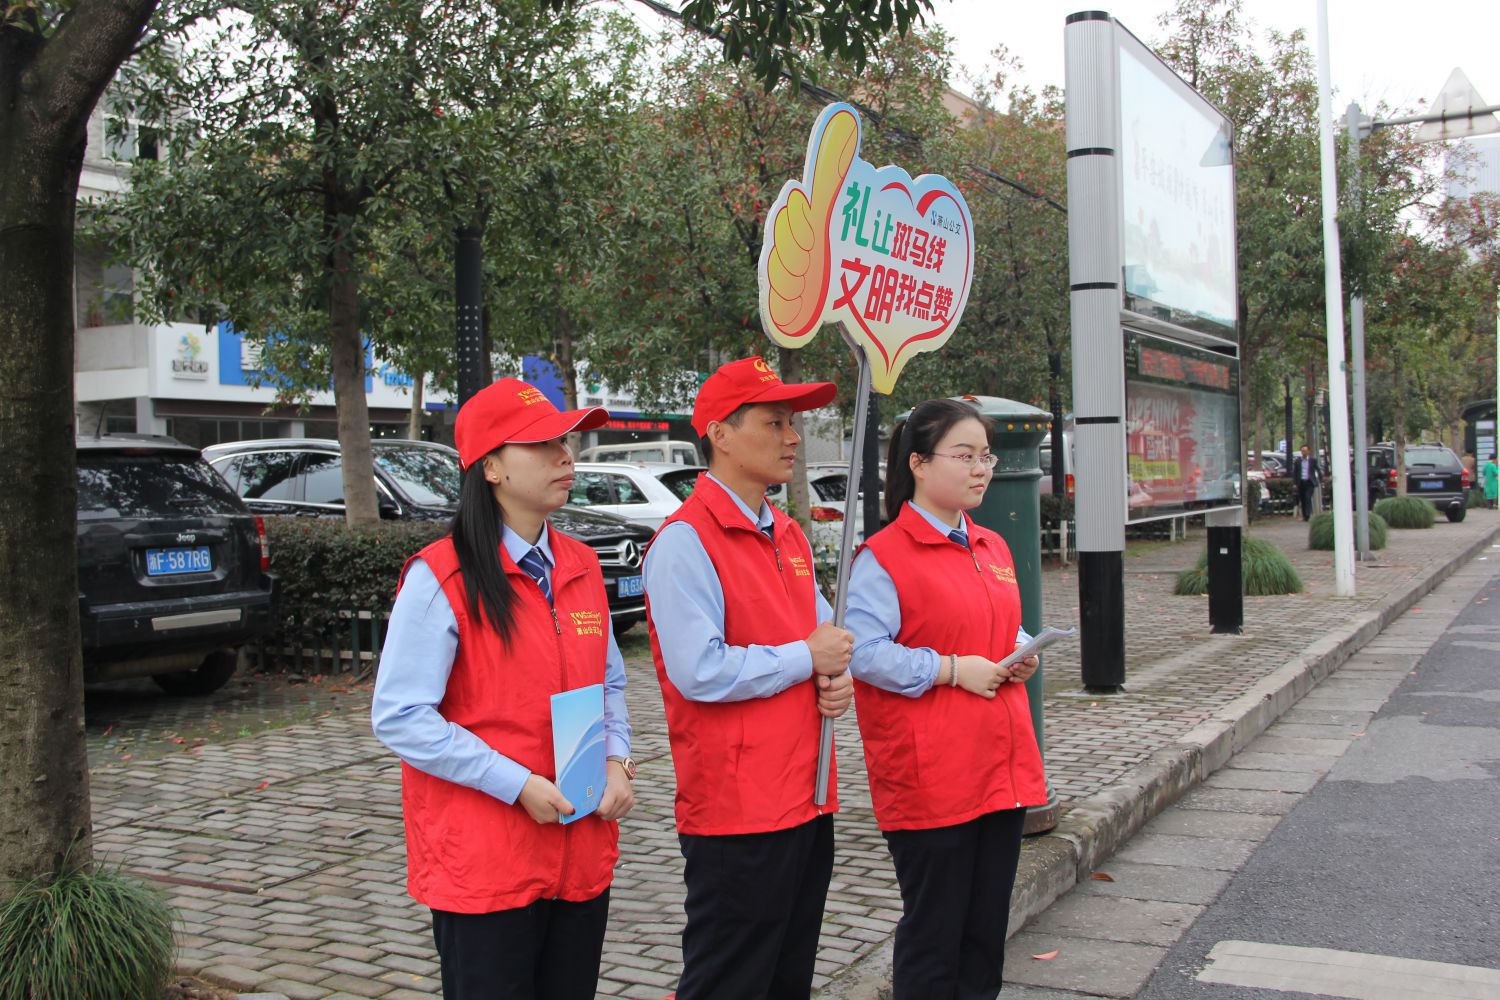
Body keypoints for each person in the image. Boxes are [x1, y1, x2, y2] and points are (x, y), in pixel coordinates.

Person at [371, 378, 636, 1000]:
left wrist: (618, 759)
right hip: (486, 862)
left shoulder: (580, 564)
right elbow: (401, 716)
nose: (565, 456)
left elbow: (609, 681)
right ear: (490, 467)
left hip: (579, 847)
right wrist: (514, 783)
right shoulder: (442, 576)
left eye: (565, 441)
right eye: (542, 445)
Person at [643, 355, 854, 1000]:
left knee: (789, 975)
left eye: (792, 423)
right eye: (774, 422)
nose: (792, 438)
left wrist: (835, 672)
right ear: (720, 434)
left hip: (807, 791)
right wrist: (808, 658)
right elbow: (699, 670)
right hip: (739, 808)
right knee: (730, 980)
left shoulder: (786, 533)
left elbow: (823, 634)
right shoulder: (686, 541)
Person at [845, 398, 1047, 1000]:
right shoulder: (883, 556)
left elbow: (993, 625)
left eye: (986, 456)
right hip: (932, 777)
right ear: (919, 463)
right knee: (935, 935)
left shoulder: (991, 546)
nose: (981, 468)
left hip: (999, 767)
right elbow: (863, 652)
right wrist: (952, 670)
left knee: (984, 935)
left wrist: (1021, 651)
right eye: (964, 456)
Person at [1292, 444, 1321, 520]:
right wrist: (1294, 483)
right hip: (1301, 482)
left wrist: (1320, 479)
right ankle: (1305, 516)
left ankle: (1308, 513)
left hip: (1309, 482)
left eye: (1305, 451)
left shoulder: (1312, 460)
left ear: (1308, 451)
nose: (1303, 452)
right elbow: (1295, 473)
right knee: (1303, 499)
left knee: (1308, 497)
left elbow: (1318, 469)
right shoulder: (1298, 461)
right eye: (1302, 451)